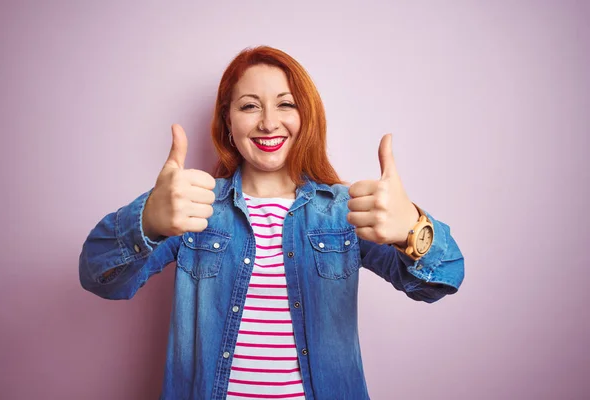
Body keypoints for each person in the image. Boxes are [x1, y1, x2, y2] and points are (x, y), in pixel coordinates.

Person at [79, 46, 465, 400]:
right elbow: (97, 276)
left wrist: (414, 229)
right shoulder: (193, 205)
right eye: (249, 107)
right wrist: (147, 221)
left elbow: (442, 281)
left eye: (285, 104)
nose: (268, 123)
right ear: (227, 121)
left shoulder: (342, 212)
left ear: (306, 117)